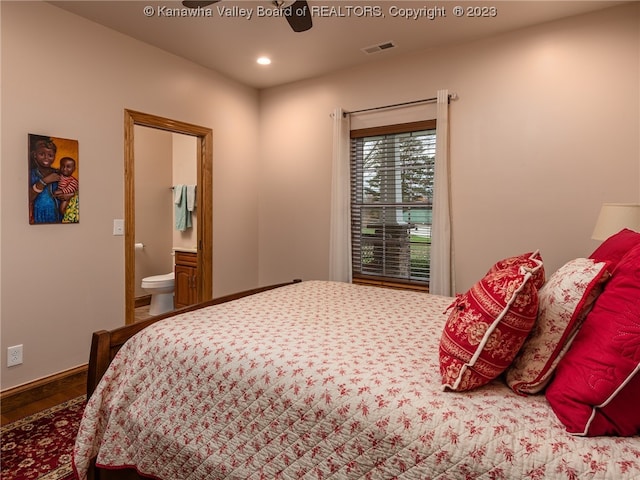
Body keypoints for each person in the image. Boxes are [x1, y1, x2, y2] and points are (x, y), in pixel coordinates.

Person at [29, 136, 61, 224]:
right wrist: (44, 181)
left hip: (59, 218)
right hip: (39, 218)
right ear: (35, 155)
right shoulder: (31, 174)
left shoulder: (59, 173)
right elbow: (29, 197)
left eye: (50, 155)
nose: (46, 158)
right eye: (42, 154)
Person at [54, 156, 79, 222]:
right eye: (62, 166)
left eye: (68, 167)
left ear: (73, 169)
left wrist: (61, 191)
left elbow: (70, 189)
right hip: (61, 195)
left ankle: (68, 217)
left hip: (67, 197)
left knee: (62, 210)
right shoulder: (61, 175)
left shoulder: (73, 180)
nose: (64, 169)